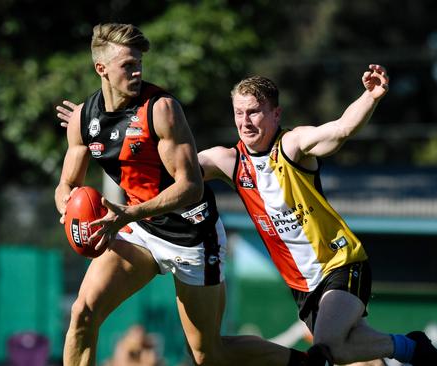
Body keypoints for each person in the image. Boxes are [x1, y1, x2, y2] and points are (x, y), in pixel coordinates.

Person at [54, 22, 317, 366]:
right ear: (100, 69)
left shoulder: (160, 109)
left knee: (209, 355)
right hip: (140, 231)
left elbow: (191, 186)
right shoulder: (83, 120)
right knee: (82, 314)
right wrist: (69, 212)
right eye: (127, 66)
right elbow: (67, 186)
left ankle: (311, 364)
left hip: (191, 234)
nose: (137, 71)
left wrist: (127, 215)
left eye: (138, 64)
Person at [195, 68, 437, 366]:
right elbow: (181, 168)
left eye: (254, 112)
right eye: (238, 113)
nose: (244, 121)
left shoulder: (292, 145)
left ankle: (410, 348)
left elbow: (341, 129)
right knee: (349, 356)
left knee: (324, 350)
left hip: (341, 263)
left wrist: (370, 96)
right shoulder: (228, 161)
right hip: (303, 287)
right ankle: (411, 347)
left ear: (276, 115)